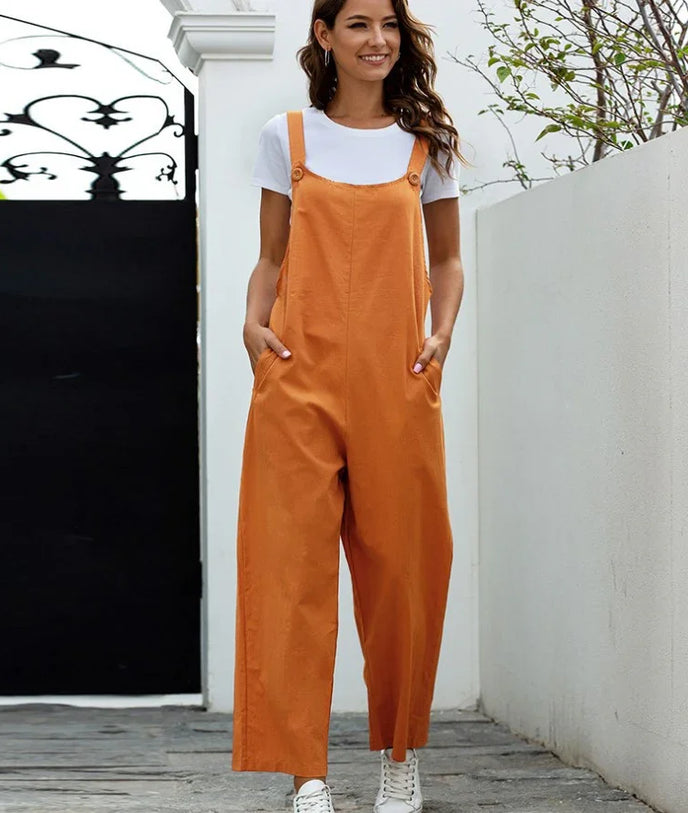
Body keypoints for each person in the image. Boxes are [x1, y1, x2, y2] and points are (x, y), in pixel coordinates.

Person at [232, 1, 467, 811]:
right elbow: (270, 256)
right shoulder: (287, 137)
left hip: (397, 382)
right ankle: (307, 773)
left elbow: (448, 260)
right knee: (289, 574)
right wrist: (253, 324)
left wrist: (441, 337)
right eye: (359, 24)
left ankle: (400, 754)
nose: (378, 40)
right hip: (296, 380)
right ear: (324, 35)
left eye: (390, 25)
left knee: (405, 570)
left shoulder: (425, 143)